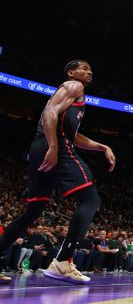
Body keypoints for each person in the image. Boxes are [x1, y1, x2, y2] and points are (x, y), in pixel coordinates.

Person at [0, 60, 115, 285]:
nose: (89, 71)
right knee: (91, 199)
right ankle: (63, 261)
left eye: (91, 69)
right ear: (71, 73)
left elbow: (72, 135)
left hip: (41, 145)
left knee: (32, 212)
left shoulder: (71, 95)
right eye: (84, 68)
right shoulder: (74, 86)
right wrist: (53, 146)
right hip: (55, 145)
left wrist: (102, 146)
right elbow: (50, 113)